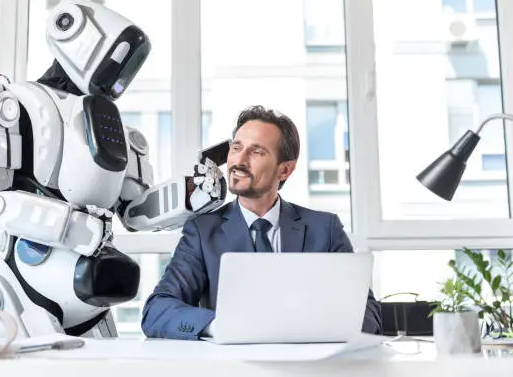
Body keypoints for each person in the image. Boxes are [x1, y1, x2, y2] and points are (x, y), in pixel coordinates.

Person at [141, 105, 382, 340]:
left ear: (285, 170)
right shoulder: (203, 232)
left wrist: (312, 325)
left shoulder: (325, 229)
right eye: (236, 147)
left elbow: (368, 314)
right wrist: (219, 326)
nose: (239, 160)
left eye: (256, 151)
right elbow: (157, 311)